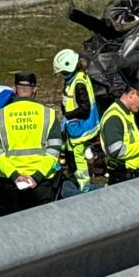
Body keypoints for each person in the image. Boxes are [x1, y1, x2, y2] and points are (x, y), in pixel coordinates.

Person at [0, 72, 68, 215]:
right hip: (41, 183)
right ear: (35, 91)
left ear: (14, 89)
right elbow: (54, 150)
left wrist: (15, 175)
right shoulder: (48, 114)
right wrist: (35, 177)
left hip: (9, 184)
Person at [54, 48, 99, 192]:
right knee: (72, 150)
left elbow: (84, 107)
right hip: (80, 125)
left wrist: (68, 116)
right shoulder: (78, 77)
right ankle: (77, 173)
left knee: (78, 155)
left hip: (80, 126)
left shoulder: (78, 83)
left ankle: (83, 184)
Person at [100, 82, 139, 183]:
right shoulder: (114, 117)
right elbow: (116, 151)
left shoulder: (127, 113)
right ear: (132, 94)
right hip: (124, 178)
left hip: (135, 175)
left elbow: (130, 141)